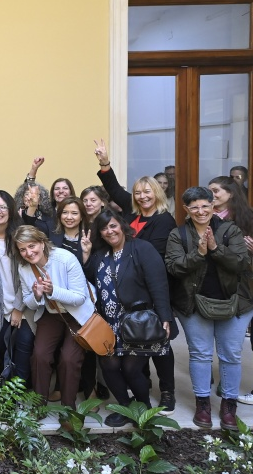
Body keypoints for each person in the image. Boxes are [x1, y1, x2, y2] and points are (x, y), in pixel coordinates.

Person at [94, 139, 177, 413]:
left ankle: (167, 391)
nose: (142, 196)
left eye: (147, 192)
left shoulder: (163, 220)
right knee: (135, 354)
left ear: (157, 193)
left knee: (159, 346)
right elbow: (115, 190)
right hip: (126, 294)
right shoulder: (130, 215)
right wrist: (105, 163)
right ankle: (142, 388)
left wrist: (162, 310)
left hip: (151, 289)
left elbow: (155, 259)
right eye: (138, 192)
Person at [165, 187, 252, 431]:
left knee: (231, 355)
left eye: (205, 205)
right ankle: (202, 404)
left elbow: (241, 263)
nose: (200, 211)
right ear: (186, 209)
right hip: (194, 304)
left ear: (213, 206)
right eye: (194, 207)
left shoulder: (230, 230)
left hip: (234, 304)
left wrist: (215, 248)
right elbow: (174, 267)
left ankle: (229, 405)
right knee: (200, 354)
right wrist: (199, 253)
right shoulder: (178, 234)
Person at [81, 209, 172, 427]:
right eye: (104, 228)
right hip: (108, 323)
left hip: (136, 322)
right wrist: (86, 255)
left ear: (122, 226)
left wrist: (165, 316)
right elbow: (87, 281)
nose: (109, 231)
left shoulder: (142, 248)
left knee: (132, 369)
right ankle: (125, 406)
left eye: (113, 226)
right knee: (109, 365)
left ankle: (144, 410)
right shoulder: (99, 254)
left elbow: (159, 284)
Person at [14, 225, 95, 410]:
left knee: (69, 359)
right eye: (22, 249)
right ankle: (39, 406)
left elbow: (80, 297)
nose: (28, 253)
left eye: (32, 246)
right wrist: (36, 295)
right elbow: (29, 302)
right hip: (51, 313)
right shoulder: (24, 267)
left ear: (42, 243)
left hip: (77, 315)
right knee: (39, 356)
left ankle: (68, 410)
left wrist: (53, 291)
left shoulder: (65, 258)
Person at [0, 191, 34, 386]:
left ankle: (18, 390)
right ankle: (0, 390)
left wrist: (18, 308)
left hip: (24, 302)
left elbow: (27, 276)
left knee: (23, 347)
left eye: (2, 207)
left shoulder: (20, 235)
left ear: (10, 210)